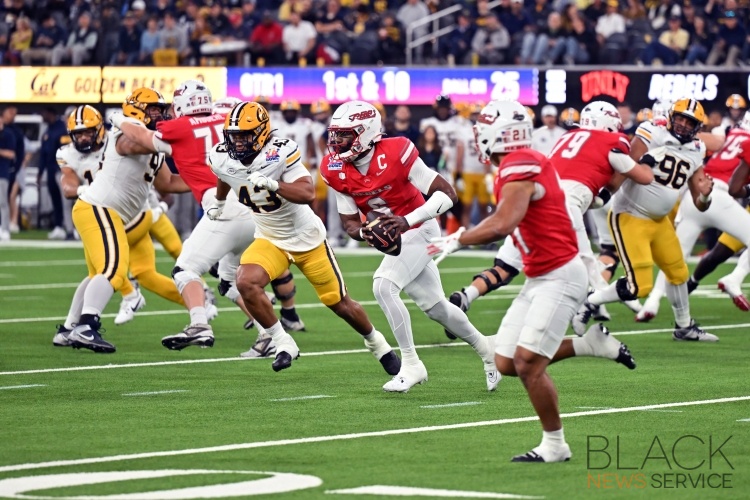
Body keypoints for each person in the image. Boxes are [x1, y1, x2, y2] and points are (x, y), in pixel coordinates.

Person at [427, 99, 636, 463]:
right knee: (505, 361)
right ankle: (590, 345)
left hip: (559, 275)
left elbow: (505, 222)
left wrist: (459, 237)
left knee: (527, 364)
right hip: (540, 275)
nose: (478, 136)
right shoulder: (522, 161)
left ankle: (555, 445)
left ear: (499, 134)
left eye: (483, 129)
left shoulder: (520, 163)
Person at [208, 101, 400, 377]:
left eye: (244, 135)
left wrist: (276, 184)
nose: (238, 142)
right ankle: (283, 341)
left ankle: (377, 343)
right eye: (234, 135)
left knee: (339, 303)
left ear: (262, 133)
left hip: (306, 238)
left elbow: (307, 192)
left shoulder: (279, 152)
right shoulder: (222, 156)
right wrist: (218, 200)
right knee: (246, 282)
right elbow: (226, 174)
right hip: (270, 237)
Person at [320, 100, 499, 393]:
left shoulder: (395, 152)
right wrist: (366, 232)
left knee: (383, 286)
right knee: (436, 308)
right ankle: (486, 347)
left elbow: (447, 195)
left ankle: (412, 363)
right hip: (398, 236)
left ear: (366, 133)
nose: (336, 142)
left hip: (421, 228)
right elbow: (350, 223)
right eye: (335, 134)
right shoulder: (335, 168)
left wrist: (407, 220)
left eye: (345, 135)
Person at [113, 83, 305, 355]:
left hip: (225, 210)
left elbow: (143, 138)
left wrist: (117, 118)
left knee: (185, 270)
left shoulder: (182, 127)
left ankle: (199, 324)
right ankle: (269, 336)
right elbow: (174, 181)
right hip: (254, 209)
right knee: (229, 280)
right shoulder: (224, 121)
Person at [444, 101, 653, 332]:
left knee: (506, 265)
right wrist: (645, 163)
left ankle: (468, 294)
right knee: (584, 267)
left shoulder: (568, 137)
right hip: (564, 207)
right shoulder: (614, 143)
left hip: (540, 196)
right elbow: (637, 175)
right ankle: (607, 304)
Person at [573, 99, 718, 342]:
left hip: (660, 222)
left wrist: (706, 194)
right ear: (671, 116)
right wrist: (605, 195)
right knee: (639, 286)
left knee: (679, 273)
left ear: (697, 126)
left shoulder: (696, 149)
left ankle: (684, 327)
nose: (682, 124)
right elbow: (624, 166)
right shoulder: (651, 133)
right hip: (631, 215)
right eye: (680, 118)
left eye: (689, 121)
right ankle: (590, 301)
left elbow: (700, 203)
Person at [59, 89, 191, 353]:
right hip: (98, 208)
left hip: (108, 213)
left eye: (160, 109)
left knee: (99, 273)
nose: (159, 114)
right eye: (153, 109)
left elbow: (169, 183)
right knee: (115, 270)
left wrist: (212, 177)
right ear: (137, 110)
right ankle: (86, 326)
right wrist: (186, 141)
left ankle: (69, 329)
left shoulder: (150, 141)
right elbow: (144, 141)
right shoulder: (126, 135)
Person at [637, 112, 750, 318]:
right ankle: (735, 277)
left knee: (675, 257)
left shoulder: (729, 135)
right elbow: (736, 187)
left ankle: (652, 301)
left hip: (694, 196)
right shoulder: (746, 142)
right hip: (719, 195)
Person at [40, 107, 69, 240]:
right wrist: (40, 172)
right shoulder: (48, 130)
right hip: (51, 170)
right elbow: (43, 154)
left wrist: (62, 169)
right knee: (55, 199)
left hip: (61, 170)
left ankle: (69, 227)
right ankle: (58, 225)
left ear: (50, 113)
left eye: (45, 113)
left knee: (66, 200)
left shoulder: (61, 129)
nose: (43, 116)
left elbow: (64, 151)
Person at [0, 117, 16, 241]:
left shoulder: (8, 134)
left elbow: (12, 154)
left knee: (2, 202)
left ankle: (5, 229)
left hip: (2, 173)